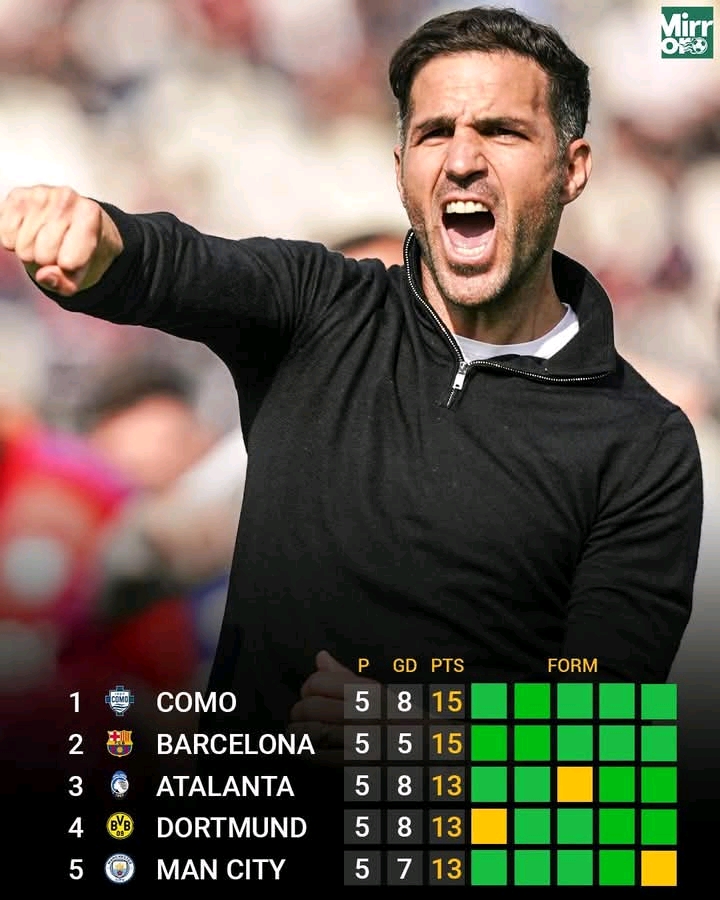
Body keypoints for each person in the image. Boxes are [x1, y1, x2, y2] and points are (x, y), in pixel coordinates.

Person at [0, 2, 703, 763]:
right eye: (434, 133)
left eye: (503, 131)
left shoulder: (642, 442)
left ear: (572, 169)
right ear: (400, 169)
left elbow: (607, 737)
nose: (463, 160)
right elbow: (175, 262)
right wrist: (98, 239)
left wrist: (420, 733)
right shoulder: (318, 309)